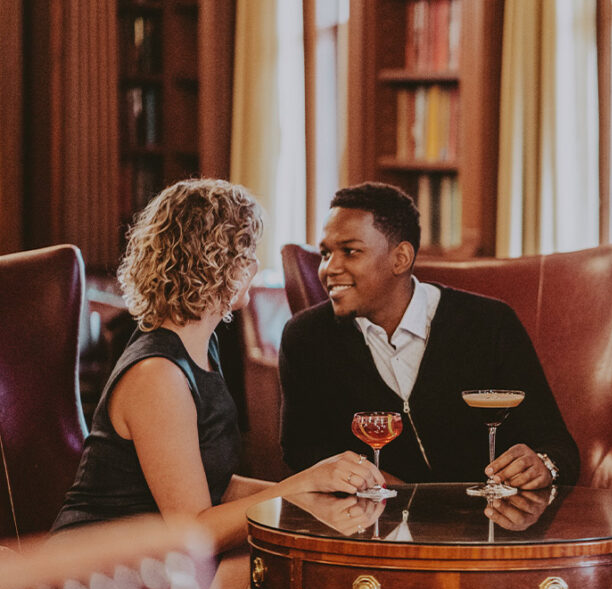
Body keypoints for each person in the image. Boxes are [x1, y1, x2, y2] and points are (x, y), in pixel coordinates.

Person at [52, 178, 383, 561]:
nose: (256, 265)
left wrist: (313, 494)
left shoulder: (202, 346)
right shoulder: (158, 374)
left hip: (164, 559)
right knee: (304, 570)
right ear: (211, 263)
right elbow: (193, 530)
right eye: (246, 253)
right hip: (105, 572)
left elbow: (217, 487)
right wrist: (301, 487)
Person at [279, 181, 580, 489]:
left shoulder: (490, 324)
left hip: (488, 526)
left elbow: (557, 446)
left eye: (350, 251)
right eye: (325, 253)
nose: (329, 268)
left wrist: (543, 466)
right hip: (373, 524)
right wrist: (375, 480)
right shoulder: (305, 338)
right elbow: (302, 450)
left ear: (401, 258)